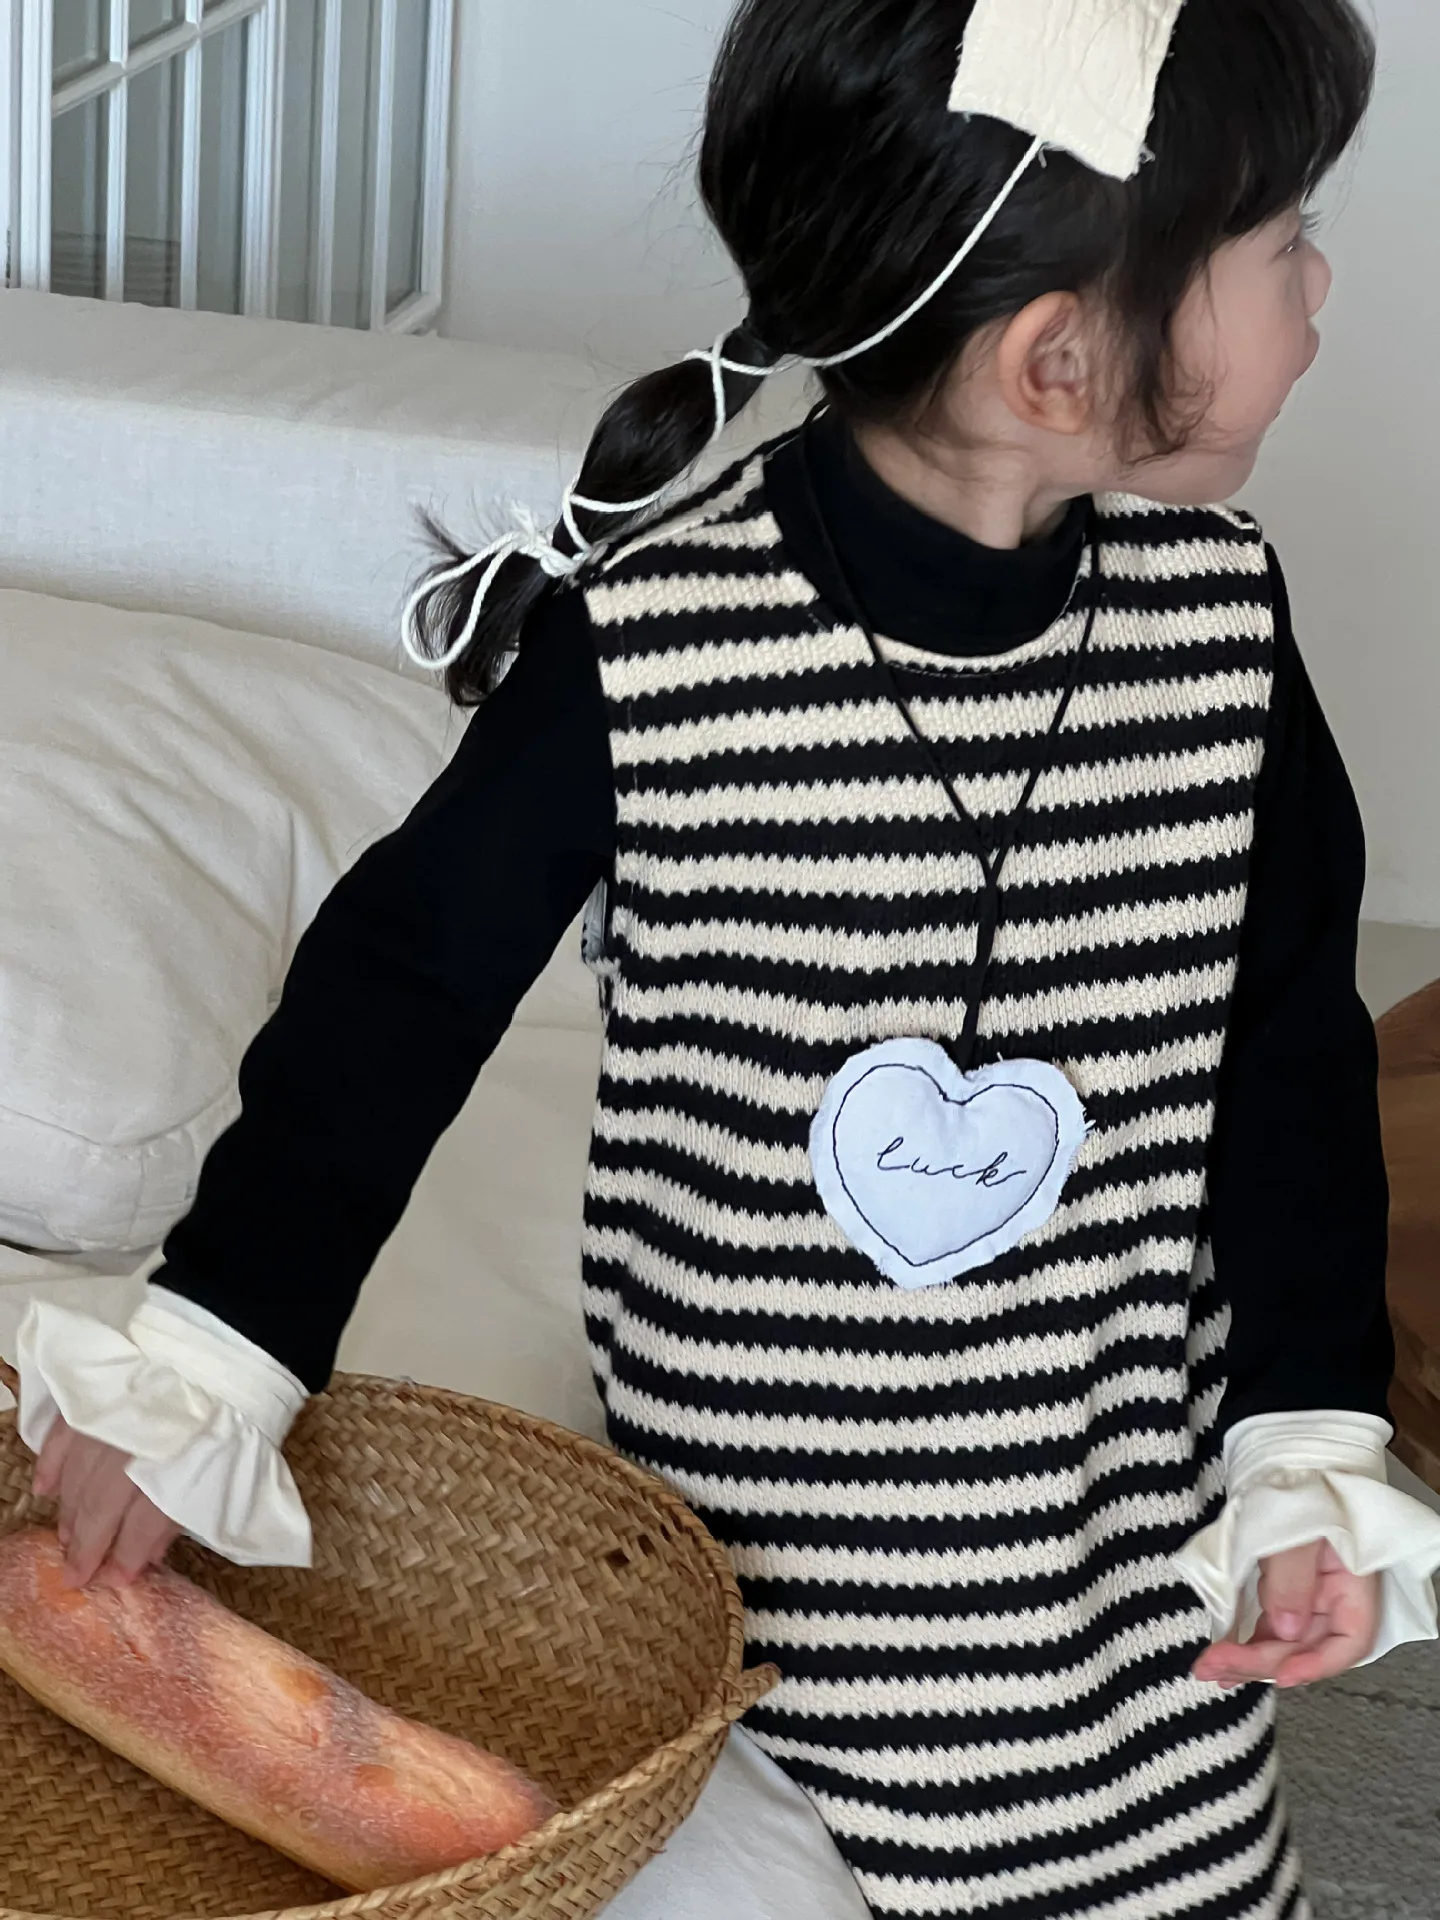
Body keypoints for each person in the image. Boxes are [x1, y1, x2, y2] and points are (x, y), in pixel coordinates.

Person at [15, 1, 1440, 1915]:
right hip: (761, 1501)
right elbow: (397, 992)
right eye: (1282, 241)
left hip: (1112, 1462)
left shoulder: (1221, 631)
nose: (1321, 285)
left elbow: (1288, 1061)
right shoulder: (662, 647)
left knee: (1161, 1820)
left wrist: (1305, 1429)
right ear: (1056, 357)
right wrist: (215, 1349)